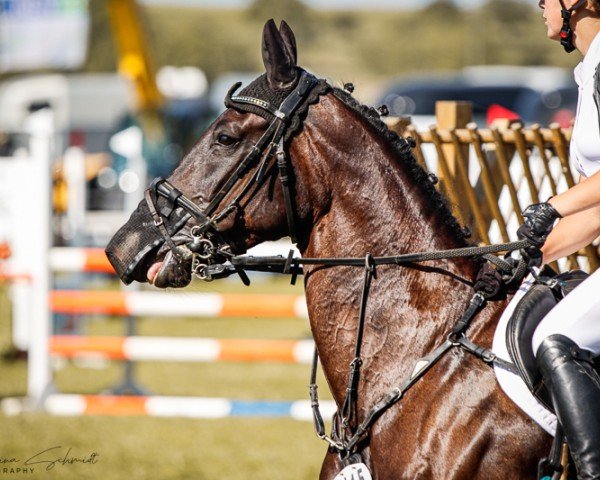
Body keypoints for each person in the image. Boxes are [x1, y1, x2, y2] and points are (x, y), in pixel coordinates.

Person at [516, 0, 600, 478]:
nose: (540, 5)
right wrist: (530, 255)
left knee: (556, 335)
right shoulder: (589, 71)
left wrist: (552, 205)